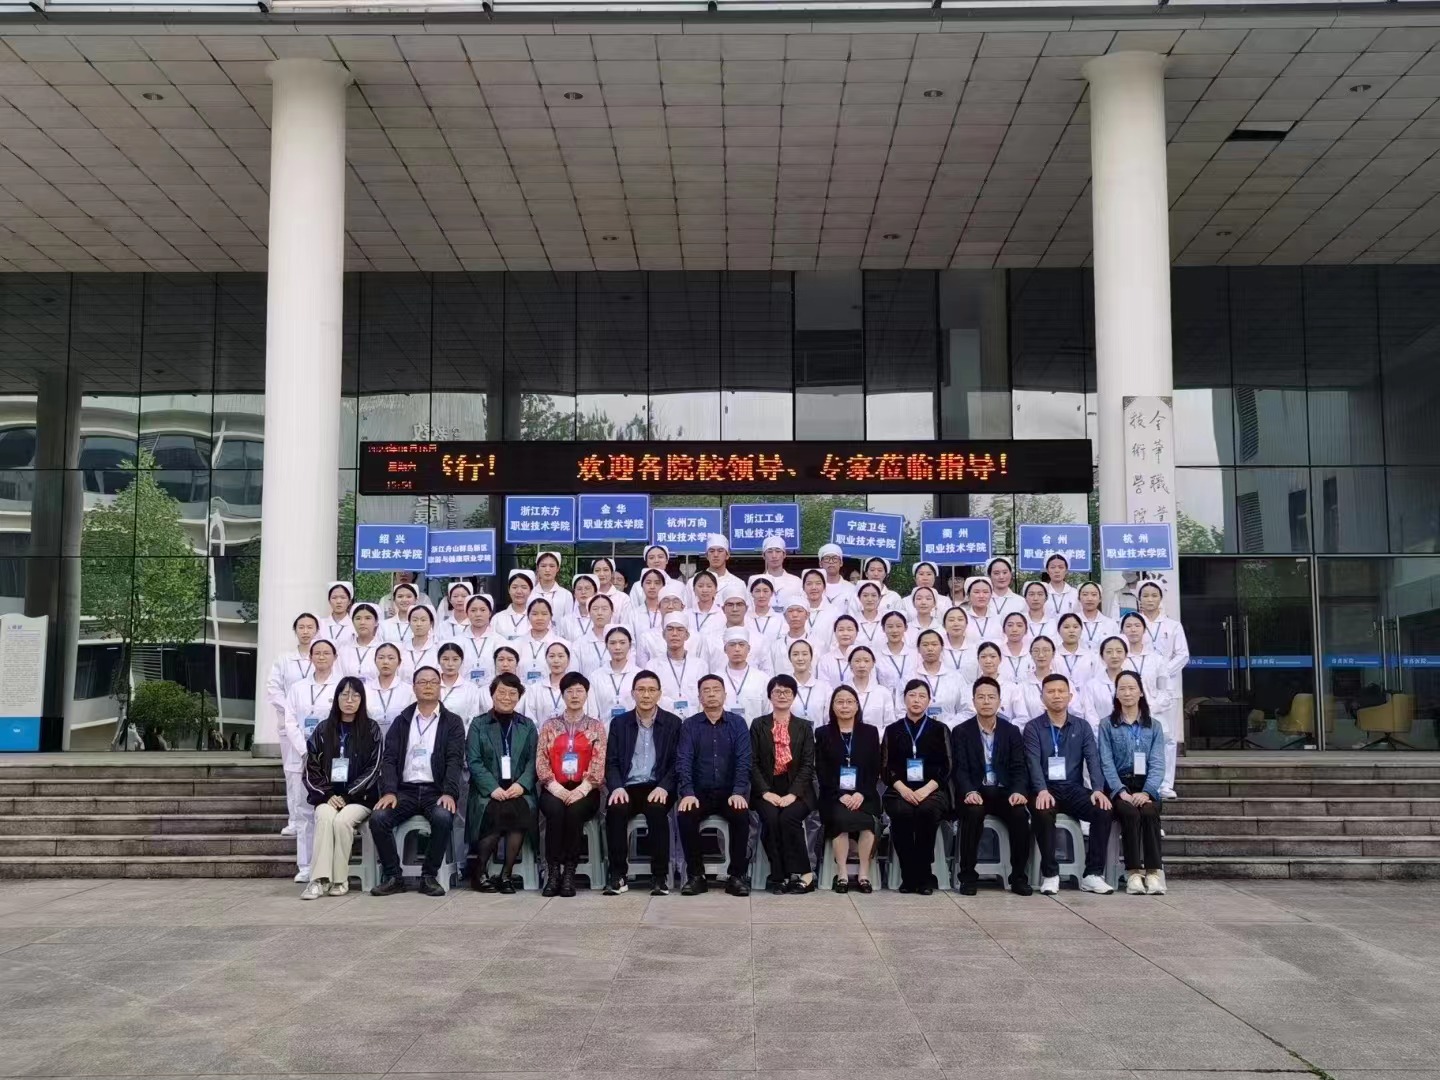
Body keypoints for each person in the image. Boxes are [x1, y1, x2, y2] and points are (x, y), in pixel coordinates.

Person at [369, 665, 467, 897]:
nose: (428, 686)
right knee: (378, 818)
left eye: (433, 682)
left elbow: (454, 760)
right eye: (422, 682)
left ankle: (429, 876)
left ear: (440, 687)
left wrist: (449, 792)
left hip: (436, 791)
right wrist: (389, 791)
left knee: (443, 817)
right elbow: (389, 759)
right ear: (414, 688)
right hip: (405, 791)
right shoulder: (401, 721)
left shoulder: (452, 722)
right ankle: (393, 876)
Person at [1022, 673, 1114, 895]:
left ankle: (1092, 874)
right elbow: (1032, 762)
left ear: (1070, 696)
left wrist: (1098, 789)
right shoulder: (1033, 727)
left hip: (1072, 789)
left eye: (1061, 691)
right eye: (1050, 692)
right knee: (1043, 812)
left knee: (1103, 809)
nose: (1056, 696)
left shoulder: (1082, 727)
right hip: (1045, 788)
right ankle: (1050, 874)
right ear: (1042, 698)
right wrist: (1041, 790)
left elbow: (1093, 759)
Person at [300, 676, 383, 899]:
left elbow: (374, 769)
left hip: (359, 799)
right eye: (344, 695)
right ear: (336, 698)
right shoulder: (323, 729)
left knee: (342, 821)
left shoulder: (371, 729)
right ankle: (318, 880)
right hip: (328, 797)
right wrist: (327, 794)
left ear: (362, 700)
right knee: (325, 818)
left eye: (355, 695)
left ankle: (339, 880)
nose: (349, 700)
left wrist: (347, 795)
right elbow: (311, 768)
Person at [951, 676, 1032, 896]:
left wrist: (1018, 791)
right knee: (973, 812)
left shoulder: (1011, 731)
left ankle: (1018, 878)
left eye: (991, 697)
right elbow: (959, 769)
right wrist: (969, 791)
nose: (986, 701)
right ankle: (968, 877)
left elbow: (1019, 767)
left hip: (1003, 792)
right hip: (975, 791)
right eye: (981, 697)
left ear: (999, 701)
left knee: (1019, 814)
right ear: (973, 702)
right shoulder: (961, 731)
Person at [603, 671, 681, 896]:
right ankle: (618, 875)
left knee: (656, 811)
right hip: (627, 786)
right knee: (615, 810)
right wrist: (617, 786)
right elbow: (611, 761)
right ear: (633, 693)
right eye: (641, 690)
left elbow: (677, 762)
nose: (646, 695)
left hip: (658, 786)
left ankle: (659, 877)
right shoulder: (620, 723)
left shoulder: (673, 723)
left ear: (659, 694)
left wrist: (664, 787)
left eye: (651, 690)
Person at [675, 674, 752, 896]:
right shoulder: (690, 725)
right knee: (685, 815)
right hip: (699, 793)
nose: (711, 694)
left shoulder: (737, 723)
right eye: (706, 690)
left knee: (741, 815)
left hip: (730, 792)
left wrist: (738, 791)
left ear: (725, 695)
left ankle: (736, 876)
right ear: (699, 697)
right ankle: (696, 876)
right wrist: (687, 792)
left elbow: (744, 759)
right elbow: (684, 760)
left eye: (716, 689)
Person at [533, 671, 606, 896]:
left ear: (586, 694)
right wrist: (557, 788)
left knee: (574, 812)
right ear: (562, 695)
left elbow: (599, 763)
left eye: (579, 691)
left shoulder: (596, 727)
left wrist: (582, 790)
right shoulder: (550, 726)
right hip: (554, 787)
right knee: (555, 811)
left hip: (586, 790)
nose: (574, 695)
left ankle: (569, 872)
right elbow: (541, 761)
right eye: (569, 691)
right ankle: (553, 871)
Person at [466, 672, 537, 894]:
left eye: (512, 693)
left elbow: (534, 760)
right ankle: (480, 872)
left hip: (518, 789)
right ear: (492, 695)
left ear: (519, 697)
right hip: (488, 791)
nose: (507, 697)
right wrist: (493, 788)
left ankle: (506, 875)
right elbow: (474, 760)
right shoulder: (478, 724)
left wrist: (522, 785)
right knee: (496, 811)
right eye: (502, 692)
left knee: (518, 811)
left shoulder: (527, 725)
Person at [1099, 670, 1168, 895]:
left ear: (1140, 692)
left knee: (1149, 812)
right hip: (1120, 788)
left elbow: (1158, 763)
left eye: (1132, 688)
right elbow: (1106, 762)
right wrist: (1121, 791)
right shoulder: (1107, 725)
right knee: (1130, 813)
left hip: (1145, 787)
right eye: (1122, 689)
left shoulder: (1154, 726)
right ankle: (1133, 873)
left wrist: (1147, 792)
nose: (1127, 693)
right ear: (1116, 694)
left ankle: (1153, 873)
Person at [881, 679, 952, 894]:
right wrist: (903, 789)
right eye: (912, 695)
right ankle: (908, 875)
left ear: (929, 701)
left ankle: (924, 875)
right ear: (904, 699)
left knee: (926, 811)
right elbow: (885, 766)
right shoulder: (892, 730)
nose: (916, 700)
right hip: (899, 790)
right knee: (902, 813)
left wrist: (925, 790)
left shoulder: (940, 729)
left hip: (932, 790)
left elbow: (947, 765)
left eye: (922, 696)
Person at [750, 674, 817, 893]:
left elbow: (807, 764)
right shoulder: (758, 724)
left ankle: (804, 874)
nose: (782, 695)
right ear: (770, 696)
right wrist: (765, 792)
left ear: (794, 696)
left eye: (787, 691)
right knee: (771, 819)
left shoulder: (804, 727)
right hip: (766, 789)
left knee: (788, 818)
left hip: (798, 790)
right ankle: (779, 875)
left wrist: (793, 794)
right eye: (777, 691)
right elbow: (752, 762)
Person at [283, 637, 343, 882]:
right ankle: (306, 866)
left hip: (332, 758)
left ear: (335, 657)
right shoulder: (297, 688)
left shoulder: (341, 686)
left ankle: (329, 865)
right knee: (304, 813)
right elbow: (290, 722)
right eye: (317, 653)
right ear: (310, 657)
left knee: (332, 812)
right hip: (303, 757)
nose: (321, 657)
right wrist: (305, 751)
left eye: (326, 653)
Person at [815, 685, 880, 892]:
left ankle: (863, 874)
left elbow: (874, 768)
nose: (845, 706)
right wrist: (840, 795)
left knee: (868, 823)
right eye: (840, 702)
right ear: (832, 706)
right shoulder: (822, 733)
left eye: (849, 702)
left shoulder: (870, 732)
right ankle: (842, 873)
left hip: (864, 794)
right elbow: (822, 771)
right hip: (833, 796)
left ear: (857, 706)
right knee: (840, 820)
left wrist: (861, 793)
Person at [266, 612, 319, 839]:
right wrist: (291, 710)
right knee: (293, 772)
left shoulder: (322, 656)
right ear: (295, 630)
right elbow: (273, 688)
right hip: (290, 724)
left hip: (318, 726)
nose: (306, 631)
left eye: (310, 627)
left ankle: (317, 817)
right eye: (301, 627)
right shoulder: (284, 659)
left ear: (317, 630)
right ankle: (295, 820)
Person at [1135, 580, 1187, 798]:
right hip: (1138, 689)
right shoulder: (1132, 623)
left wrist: (1162, 671)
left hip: (1166, 688)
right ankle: (1142, 780)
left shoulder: (1173, 626)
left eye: (1154, 595)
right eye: (1145, 595)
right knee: (1137, 736)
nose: (1150, 599)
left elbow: (1183, 655)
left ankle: (1165, 783)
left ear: (1160, 598)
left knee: (1167, 737)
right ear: (1139, 598)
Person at [907, 629, 970, 727]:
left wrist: (947, 727)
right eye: (925, 645)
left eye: (934, 644)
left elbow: (967, 710)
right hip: (917, 731)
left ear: (942, 648)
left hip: (949, 731)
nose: (930, 648)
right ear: (918, 649)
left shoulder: (956, 677)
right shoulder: (909, 677)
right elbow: (901, 710)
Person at [653, 613, 702, 716]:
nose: (674, 634)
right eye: (670, 629)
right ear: (663, 634)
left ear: (687, 636)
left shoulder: (700, 665)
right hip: (664, 721)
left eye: (680, 630)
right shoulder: (653, 666)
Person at [591, 626, 641, 726]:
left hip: (633, 730)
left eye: (622, 643)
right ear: (606, 645)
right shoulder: (596, 676)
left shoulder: (639, 675)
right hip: (604, 731)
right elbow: (592, 711)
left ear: (630, 645)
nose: (617, 647)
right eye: (612, 643)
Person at [523, 641, 581, 722]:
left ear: (568, 660)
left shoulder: (578, 687)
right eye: (552, 656)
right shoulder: (535, 689)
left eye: (560, 656)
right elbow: (530, 717)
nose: (556, 660)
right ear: (546, 659)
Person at [1007, 634, 1058, 725]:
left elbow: (1074, 712)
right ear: (1030, 654)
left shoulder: (1064, 683)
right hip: (1031, 732)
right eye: (1036, 651)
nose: (1041, 655)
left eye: (1046, 650)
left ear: (1053, 654)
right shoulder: (1022, 687)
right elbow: (1021, 718)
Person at [1082, 636, 1130, 734]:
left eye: (1119, 651)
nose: (1114, 656)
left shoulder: (1134, 682)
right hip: (1102, 736)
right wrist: (1103, 736)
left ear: (1126, 655)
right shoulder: (1092, 685)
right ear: (1101, 656)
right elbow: (1090, 715)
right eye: (1109, 652)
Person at [718, 628, 767, 721]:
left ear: (748, 649)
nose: (737, 649)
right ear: (725, 649)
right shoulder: (716, 678)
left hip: (754, 729)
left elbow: (768, 713)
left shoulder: (762, 678)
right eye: (732, 645)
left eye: (741, 644)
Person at [365, 644, 415, 735]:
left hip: (400, 738)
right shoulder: (365, 689)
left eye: (391, 658)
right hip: (370, 738)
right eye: (381, 657)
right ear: (375, 661)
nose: (385, 662)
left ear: (399, 662)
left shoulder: (409, 691)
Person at [846, 645, 896, 730]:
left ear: (873, 664)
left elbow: (890, 724)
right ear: (850, 664)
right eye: (857, 661)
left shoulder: (883, 693)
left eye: (866, 661)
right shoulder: (842, 692)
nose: (862, 665)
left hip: (878, 738)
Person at [517, 598, 567, 681]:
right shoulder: (516, 644)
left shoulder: (563, 644)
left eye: (544, 614)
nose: (539, 618)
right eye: (535, 614)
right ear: (528, 616)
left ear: (551, 616)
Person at [787, 639, 834, 726]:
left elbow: (829, 718)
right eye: (795, 654)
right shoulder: (784, 687)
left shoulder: (824, 688)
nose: (800, 658)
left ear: (811, 657)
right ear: (790, 658)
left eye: (804, 654)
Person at [456, 594, 500, 685]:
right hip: (464, 690)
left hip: (491, 690)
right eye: (473, 610)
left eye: (483, 610)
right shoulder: (457, 642)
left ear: (490, 613)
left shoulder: (500, 642)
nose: (478, 614)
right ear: (466, 613)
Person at [689, 535, 745, 606]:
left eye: (720, 551)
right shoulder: (693, 581)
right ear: (706, 555)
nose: (715, 555)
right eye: (711, 551)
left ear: (727, 555)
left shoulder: (738, 583)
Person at [571, 593, 620, 674]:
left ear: (612, 612)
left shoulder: (620, 643)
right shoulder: (578, 644)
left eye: (604, 609)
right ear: (589, 613)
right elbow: (574, 674)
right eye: (595, 609)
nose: (599, 613)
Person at [435, 643, 479, 732]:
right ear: (439, 661)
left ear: (461, 661)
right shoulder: (432, 684)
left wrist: (459, 735)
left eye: (455, 659)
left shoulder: (471, 688)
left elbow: (473, 718)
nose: (450, 664)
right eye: (445, 659)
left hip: (460, 736)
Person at [1053, 613, 1100, 692]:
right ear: (1058, 631)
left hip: (1086, 696)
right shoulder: (1053, 656)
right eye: (1066, 627)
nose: (1071, 631)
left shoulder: (1091, 656)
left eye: (1075, 627)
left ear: (1081, 630)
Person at [770, 598, 819, 674]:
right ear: (785, 616)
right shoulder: (776, 646)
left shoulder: (817, 644)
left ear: (807, 615)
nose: (795, 615)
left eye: (799, 611)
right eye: (790, 611)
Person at [340, 603, 383, 683]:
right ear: (352, 622)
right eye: (358, 618)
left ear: (376, 622)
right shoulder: (343, 649)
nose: (362, 622)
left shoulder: (383, 649)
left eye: (368, 618)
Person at [875, 611, 918, 691]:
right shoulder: (876, 656)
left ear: (905, 628)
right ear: (883, 628)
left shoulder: (915, 654)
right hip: (886, 698)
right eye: (890, 626)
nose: (894, 630)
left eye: (898, 626)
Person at [1076, 581, 1119, 653]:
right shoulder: (1071, 622)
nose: (1089, 598)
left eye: (1094, 595)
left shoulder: (1111, 624)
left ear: (1100, 599)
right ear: (1079, 598)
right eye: (1085, 594)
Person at [400, 605, 440, 681]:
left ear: (431, 622)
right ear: (409, 623)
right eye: (415, 620)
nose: (418, 624)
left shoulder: (438, 648)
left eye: (423, 620)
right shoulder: (402, 648)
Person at [532, 550, 575, 621]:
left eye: (552, 566)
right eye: (543, 566)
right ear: (537, 568)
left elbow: (568, 622)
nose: (547, 570)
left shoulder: (566, 595)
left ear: (558, 568)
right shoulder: (530, 593)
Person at [628, 544, 673, 608]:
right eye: (651, 558)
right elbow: (632, 609)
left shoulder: (676, 585)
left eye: (660, 557)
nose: (656, 561)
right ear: (646, 562)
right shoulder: (637, 586)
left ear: (667, 560)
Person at [799, 568, 838, 644]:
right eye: (809, 584)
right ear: (803, 587)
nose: (814, 587)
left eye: (818, 583)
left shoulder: (834, 612)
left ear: (824, 586)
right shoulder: (797, 611)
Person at [820, 614, 860, 687]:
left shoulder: (865, 657)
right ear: (835, 633)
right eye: (841, 630)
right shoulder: (825, 659)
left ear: (857, 633)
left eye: (849, 630)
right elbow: (823, 686)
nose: (845, 633)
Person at [494, 569, 535, 640]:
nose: (519, 591)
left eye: (524, 587)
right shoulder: (497, 618)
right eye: (514, 587)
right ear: (509, 590)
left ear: (531, 591)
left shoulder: (537, 618)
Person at [627, 568, 668, 639]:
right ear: (642, 586)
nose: (652, 587)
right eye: (648, 583)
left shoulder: (668, 613)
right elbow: (630, 640)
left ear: (663, 586)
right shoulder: (634, 614)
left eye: (657, 583)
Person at [686, 569, 725, 642]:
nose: (704, 590)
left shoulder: (723, 614)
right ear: (694, 589)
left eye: (709, 586)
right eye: (700, 586)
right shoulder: (686, 614)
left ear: (716, 589)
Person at [941, 607, 978, 684]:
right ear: (944, 625)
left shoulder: (975, 648)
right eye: (951, 620)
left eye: (960, 619)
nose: (956, 624)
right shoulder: (938, 649)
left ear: (966, 624)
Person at [745, 575, 783, 648]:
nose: (761, 595)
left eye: (765, 591)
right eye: (757, 591)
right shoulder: (745, 618)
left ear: (772, 593)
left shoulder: (780, 619)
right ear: (751, 593)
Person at [963, 577, 1004, 646]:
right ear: (968, 595)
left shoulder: (999, 618)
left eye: (985, 592)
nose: (981, 596)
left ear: (991, 594)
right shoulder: (963, 618)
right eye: (976, 592)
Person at [817, 543, 854, 612]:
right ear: (820, 563)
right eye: (827, 558)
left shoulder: (851, 588)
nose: (831, 562)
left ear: (841, 563)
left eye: (835, 558)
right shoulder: (813, 588)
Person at [997, 612, 1032, 684]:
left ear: (1026, 630)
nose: (1014, 629)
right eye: (1010, 625)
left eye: (1019, 625)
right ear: (1003, 629)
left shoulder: (1032, 652)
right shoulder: (997, 652)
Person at [322, 581, 357, 647]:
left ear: (349, 601)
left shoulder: (355, 625)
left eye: (343, 597)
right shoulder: (321, 624)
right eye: (334, 598)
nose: (338, 601)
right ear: (329, 601)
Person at [853, 581, 886, 645]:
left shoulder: (886, 619)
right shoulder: (853, 620)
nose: (869, 599)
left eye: (873, 595)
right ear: (859, 598)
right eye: (865, 595)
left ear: (879, 598)